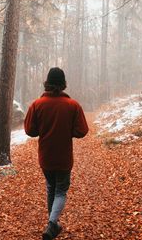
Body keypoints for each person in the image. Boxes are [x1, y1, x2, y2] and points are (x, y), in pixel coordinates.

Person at [24, 67, 89, 240]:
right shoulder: (72, 105)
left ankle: (51, 223)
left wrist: (44, 128)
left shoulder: (37, 105)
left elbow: (30, 131)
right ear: (63, 84)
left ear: (47, 83)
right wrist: (67, 130)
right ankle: (52, 224)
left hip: (45, 157)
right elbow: (82, 131)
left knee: (51, 188)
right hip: (64, 158)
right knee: (60, 191)